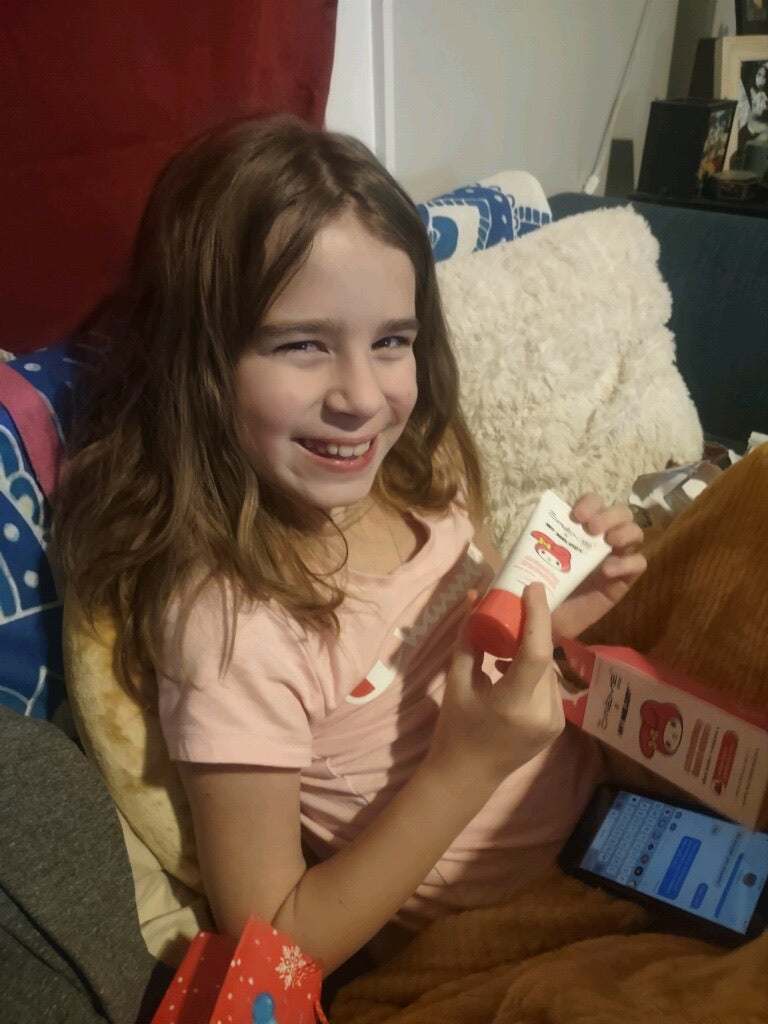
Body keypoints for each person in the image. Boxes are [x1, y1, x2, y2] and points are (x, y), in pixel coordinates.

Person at [55, 115, 646, 978]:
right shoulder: (232, 626)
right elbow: (277, 950)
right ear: (201, 362)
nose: (363, 398)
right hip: (495, 930)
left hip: (615, 822)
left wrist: (548, 625)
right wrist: (467, 767)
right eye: (301, 345)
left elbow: (470, 660)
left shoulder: (417, 465)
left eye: (391, 342)